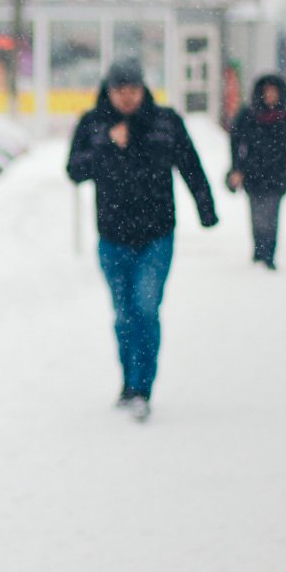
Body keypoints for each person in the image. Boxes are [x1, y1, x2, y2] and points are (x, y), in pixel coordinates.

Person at [66, 58, 218, 422]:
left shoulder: (165, 122)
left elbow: (190, 164)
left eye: (133, 90)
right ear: (109, 91)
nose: (127, 98)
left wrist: (206, 208)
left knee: (146, 308)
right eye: (120, 91)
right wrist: (105, 144)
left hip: (156, 235)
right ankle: (128, 382)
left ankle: (142, 387)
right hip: (112, 237)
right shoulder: (93, 124)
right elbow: (74, 170)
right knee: (123, 315)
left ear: (143, 88)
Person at [226, 74, 286, 270]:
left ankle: (269, 254)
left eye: (274, 92)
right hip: (253, 172)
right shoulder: (248, 115)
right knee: (257, 216)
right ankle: (258, 249)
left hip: (277, 172)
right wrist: (236, 168)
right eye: (267, 92)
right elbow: (236, 141)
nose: (270, 96)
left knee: (271, 216)